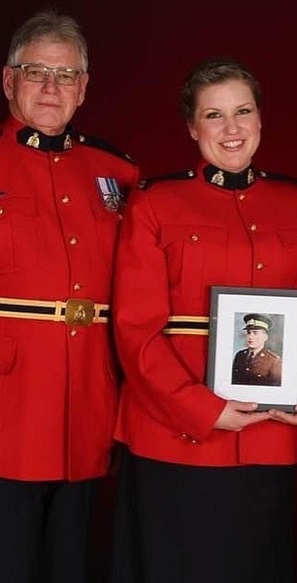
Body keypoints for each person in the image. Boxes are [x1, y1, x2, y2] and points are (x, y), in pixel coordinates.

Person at [110, 58, 297, 583]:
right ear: (192, 127)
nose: (232, 129)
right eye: (214, 115)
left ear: (260, 120)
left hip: (268, 435)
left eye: (243, 111)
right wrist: (203, 408)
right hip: (175, 435)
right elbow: (135, 330)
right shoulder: (154, 203)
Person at [0, 10, 139, 582]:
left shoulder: (117, 174)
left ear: (83, 88)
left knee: (72, 561)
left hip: (87, 393)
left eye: (65, 75)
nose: (51, 88)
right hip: (10, 397)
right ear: (9, 81)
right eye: (37, 73)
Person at [231, 312, 282, 386]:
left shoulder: (273, 361)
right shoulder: (239, 356)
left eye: (255, 333)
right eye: (249, 332)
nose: (250, 337)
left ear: (265, 337)